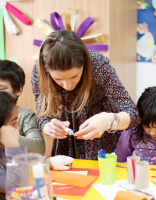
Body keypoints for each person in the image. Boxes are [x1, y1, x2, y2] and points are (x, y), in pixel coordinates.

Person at [31, 30, 140, 160]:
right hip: (67, 143)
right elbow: (42, 116)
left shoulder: (98, 65)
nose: (68, 86)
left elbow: (133, 115)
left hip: (103, 139)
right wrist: (47, 126)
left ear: (84, 61)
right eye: (58, 79)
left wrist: (107, 120)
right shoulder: (39, 72)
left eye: (74, 76)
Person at [0, 92, 73, 193]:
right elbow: (17, 185)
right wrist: (13, 148)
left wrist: (50, 162)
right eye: (13, 123)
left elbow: (24, 162)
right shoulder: (8, 146)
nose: (18, 127)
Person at [0, 60, 45, 155]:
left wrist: (6, 136)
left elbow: (39, 147)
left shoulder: (25, 115)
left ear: (17, 90)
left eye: (1, 89)